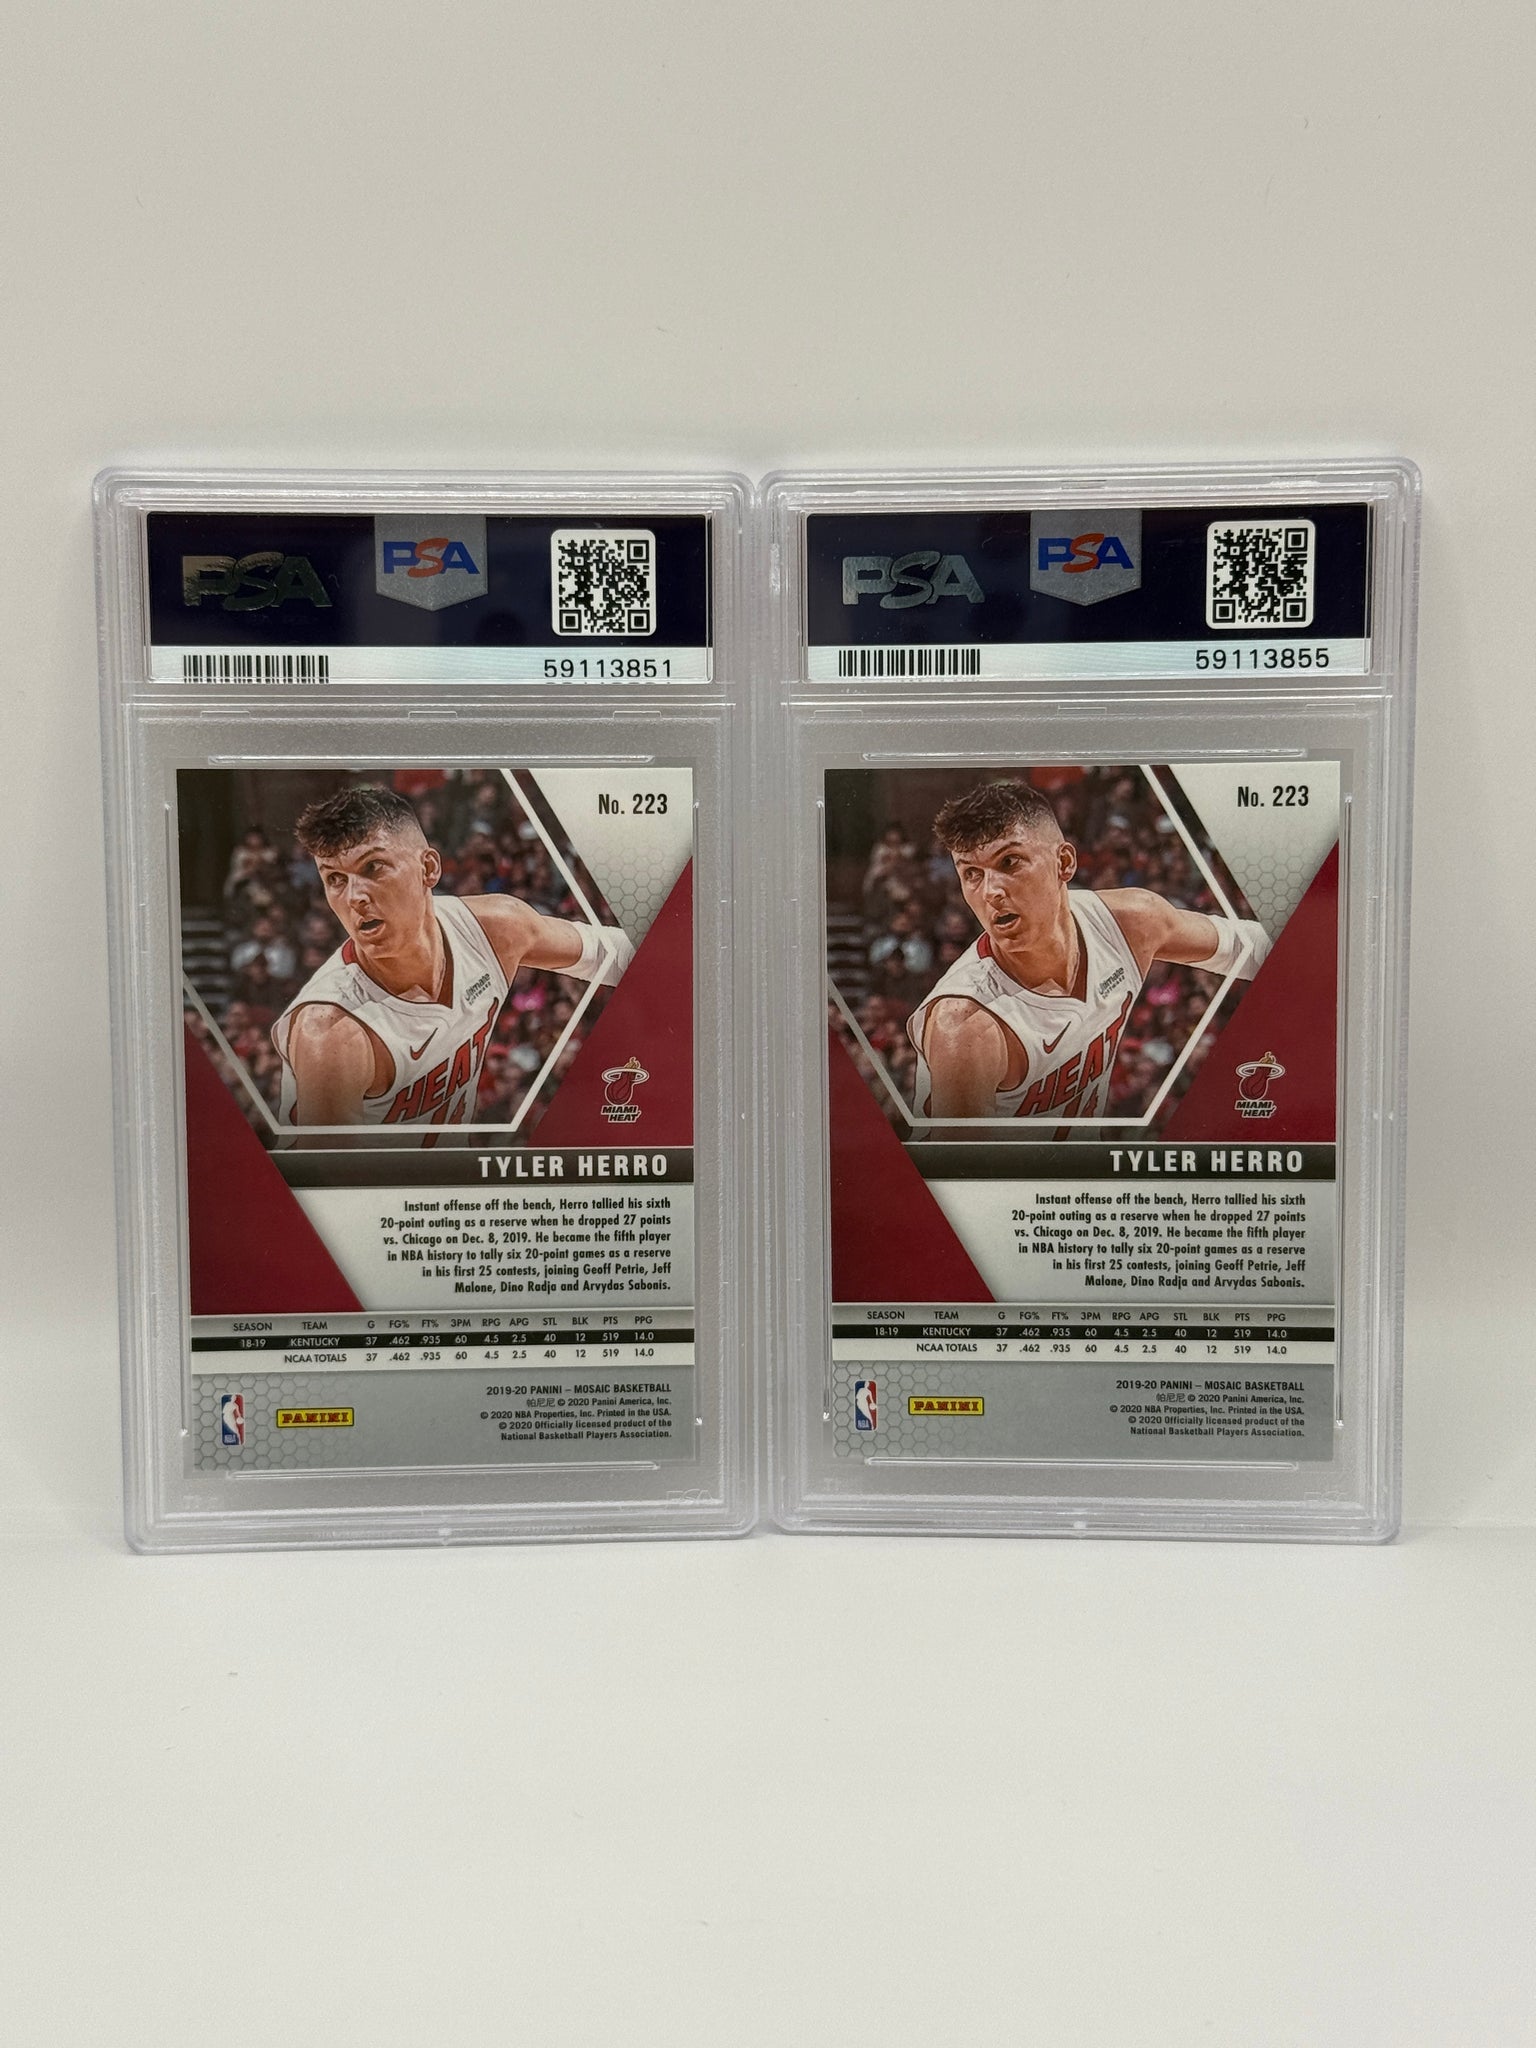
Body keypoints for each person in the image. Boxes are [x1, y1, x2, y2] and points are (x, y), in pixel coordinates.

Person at [271, 785, 630, 1132]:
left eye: (373, 867)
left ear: (428, 868)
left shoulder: (494, 929)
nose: (354, 897)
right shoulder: (331, 1033)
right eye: (335, 878)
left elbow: (614, 954)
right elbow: (331, 1172)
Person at [907, 780, 1269, 1121]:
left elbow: (1252, 947)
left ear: (1064, 863)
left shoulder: (1130, 923)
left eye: (1009, 862)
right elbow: (964, 1166)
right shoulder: (967, 1026)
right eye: (972, 873)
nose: (991, 892)